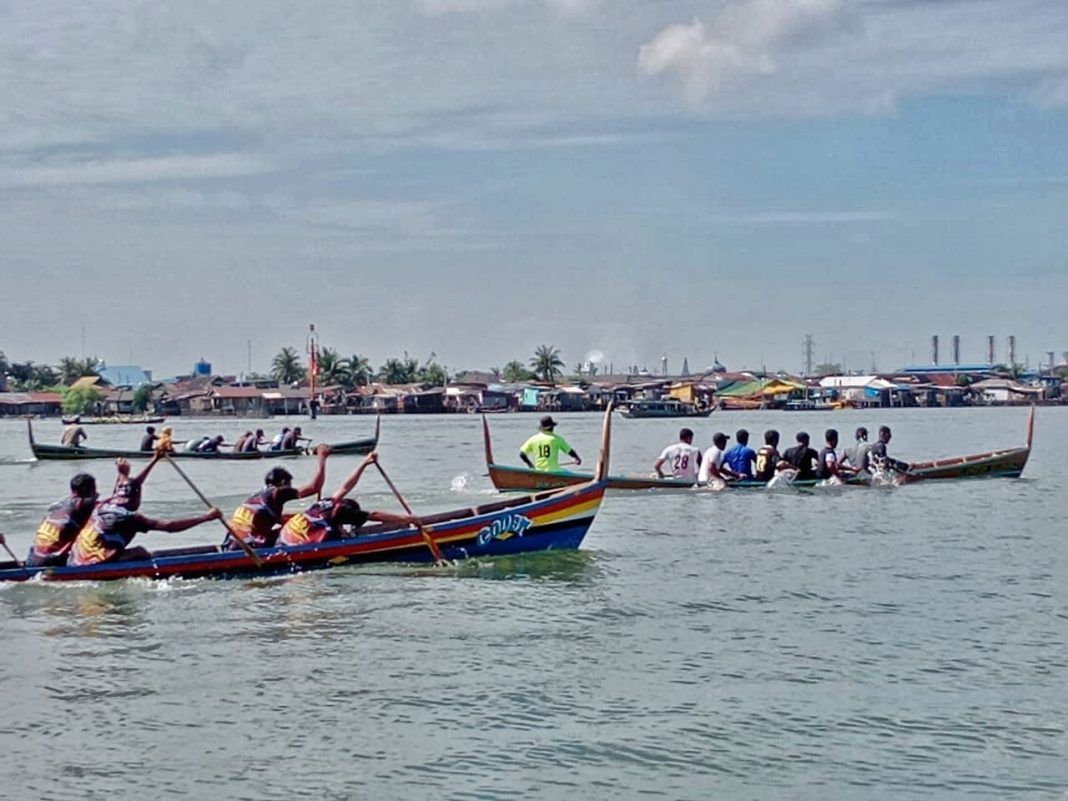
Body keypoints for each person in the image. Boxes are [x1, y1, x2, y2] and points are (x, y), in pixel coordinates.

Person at [279, 452, 416, 546]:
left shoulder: (326, 503)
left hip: (283, 537)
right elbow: (374, 515)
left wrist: (364, 463)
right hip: (295, 545)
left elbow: (346, 487)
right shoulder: (343, 511)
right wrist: (407, 519)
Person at [224, 444, 331, 550]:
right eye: (290, 485)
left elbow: (277, 520)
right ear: (283, 482)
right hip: (249, 546)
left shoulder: (257, 497)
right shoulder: (277, 493)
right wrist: (322, 458)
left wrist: (304, 517)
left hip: (231, 541)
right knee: (292, 533)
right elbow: (314, 487)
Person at [68, 501, 222, 567]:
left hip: (75, 558)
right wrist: (206, 518)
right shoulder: (132, 518)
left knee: (141, 552)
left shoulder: (99, 507)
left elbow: (125, 485)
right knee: (140, 552)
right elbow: (169, 527)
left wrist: (154, 460)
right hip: (94, 563)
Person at [27, 472, 99, 567]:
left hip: (31, 560)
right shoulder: (83, 506)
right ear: (91, 491)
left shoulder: (57, 506)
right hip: (50, 565)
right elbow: (114, 506)